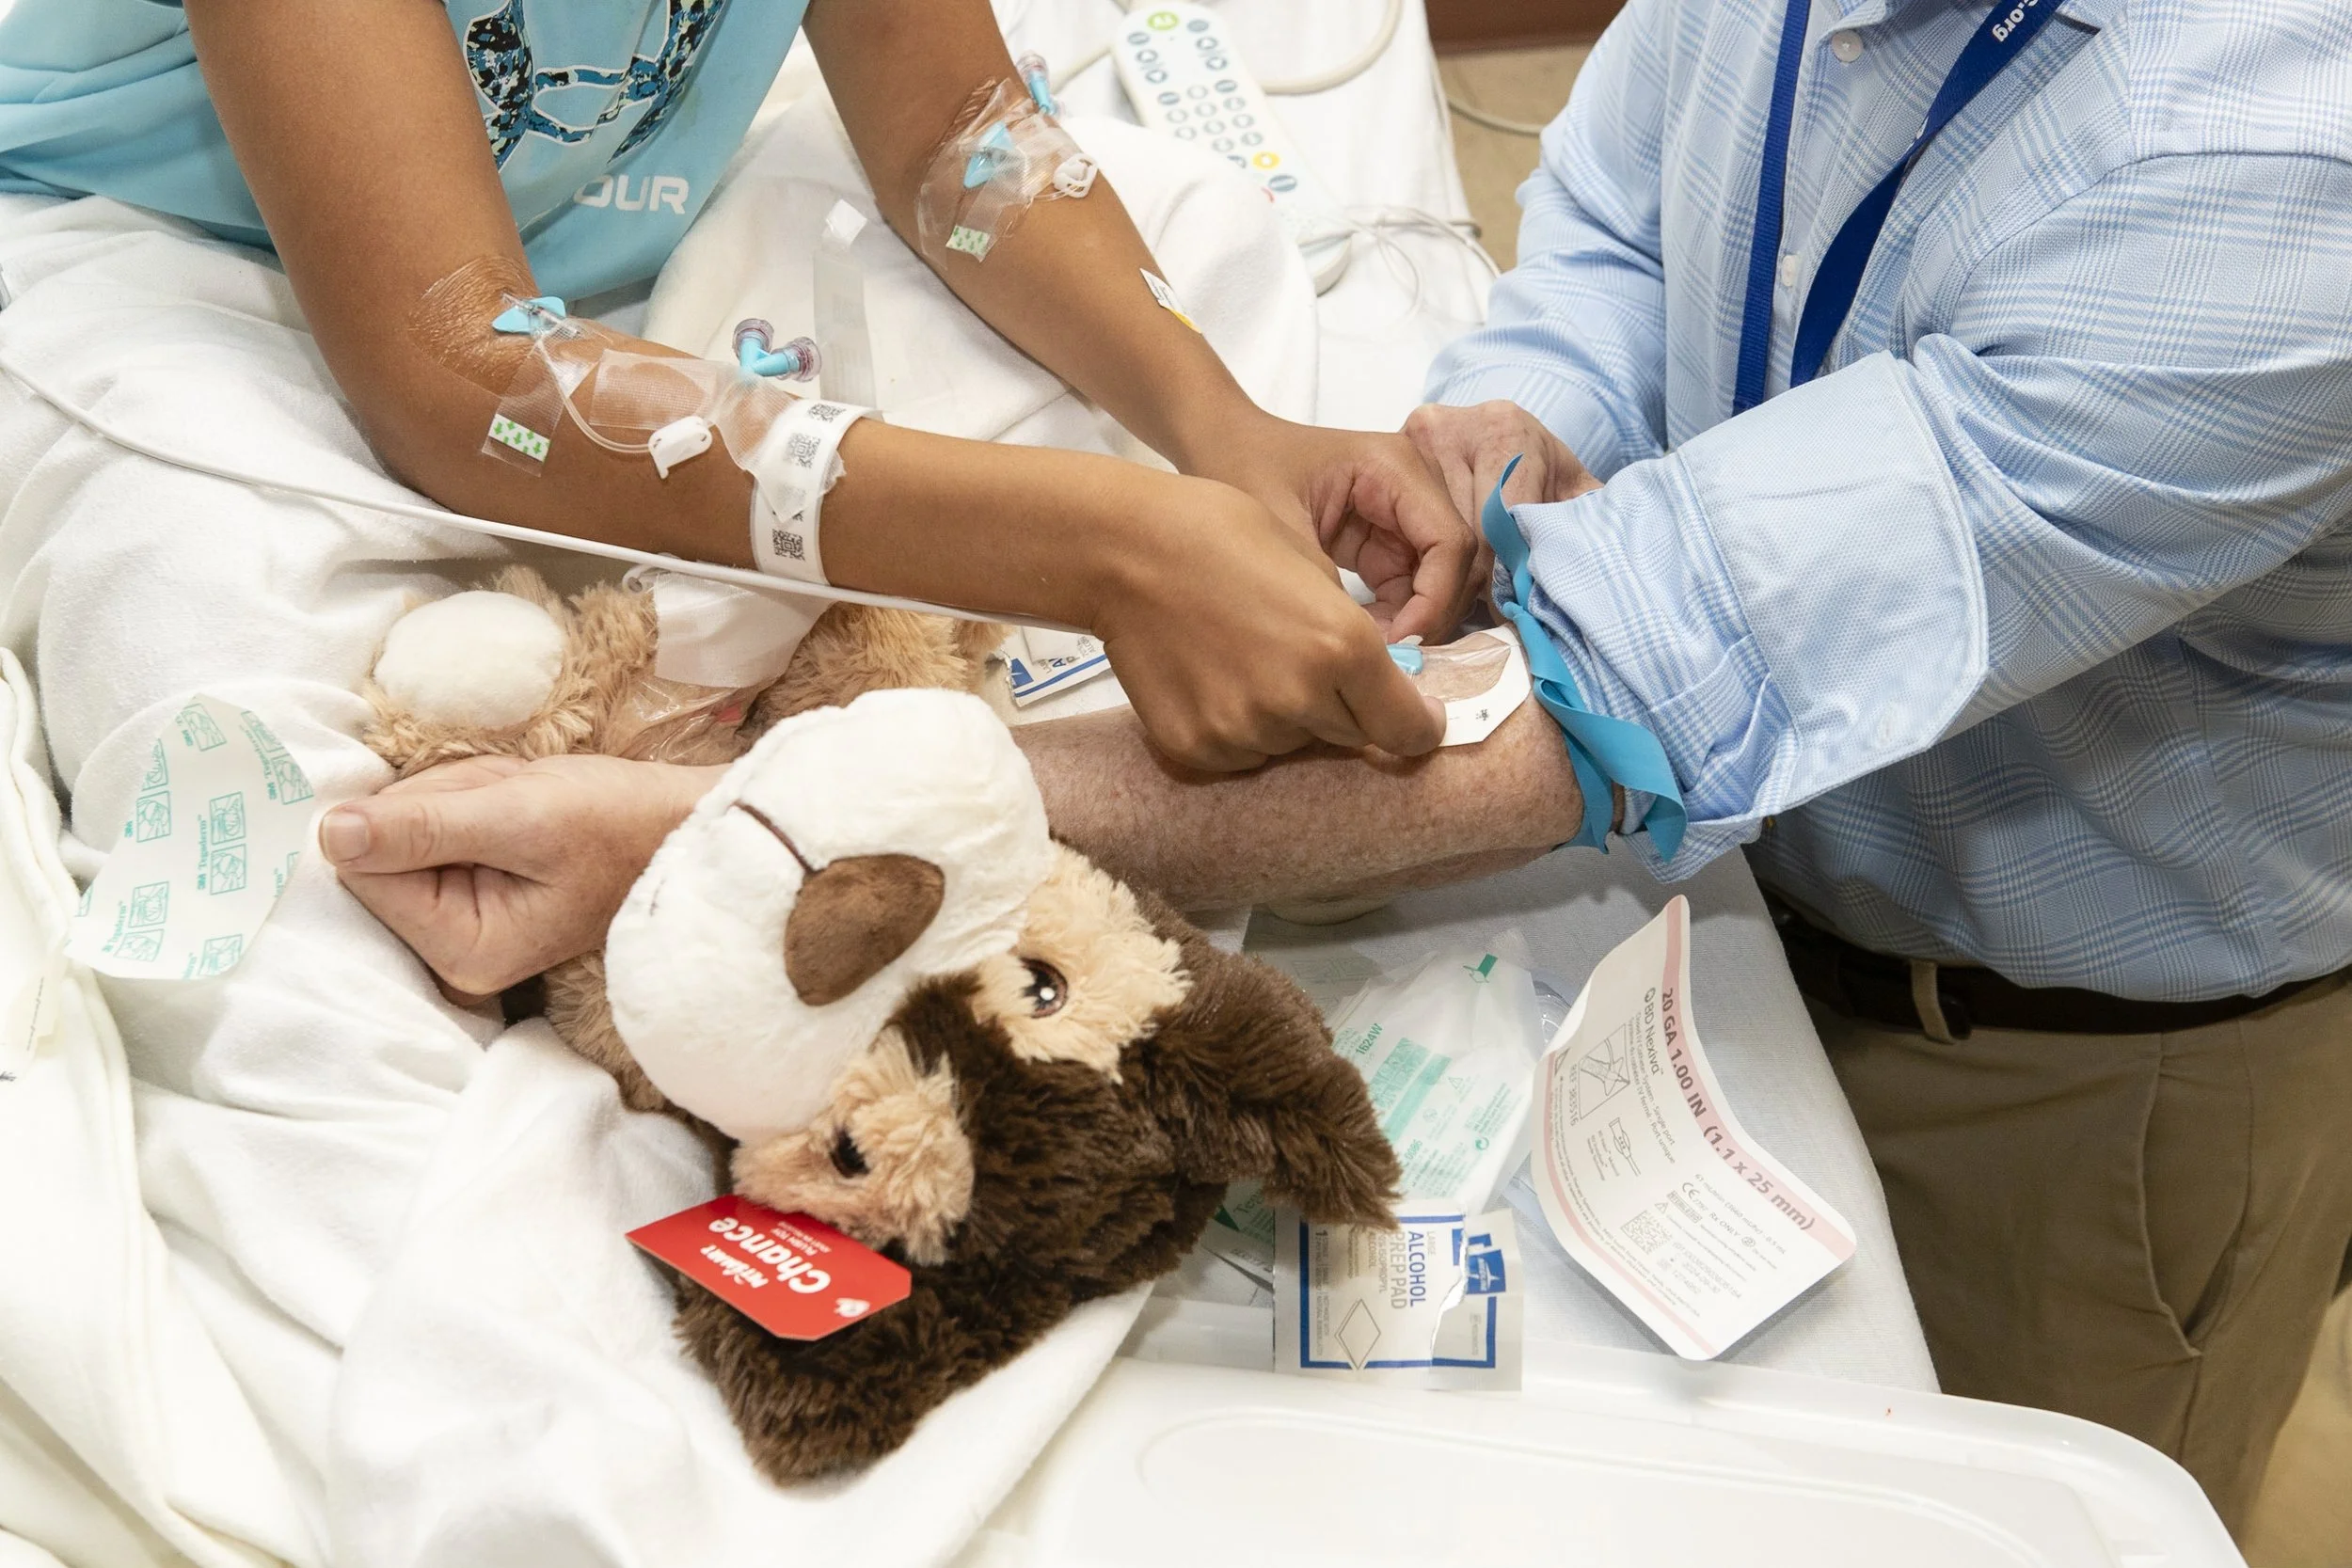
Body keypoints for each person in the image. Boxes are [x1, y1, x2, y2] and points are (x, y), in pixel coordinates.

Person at [328, 0, 2352, 1534]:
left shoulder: (2277, 171)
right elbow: (1636, 206)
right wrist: (1512, 427)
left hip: (2059, 1045)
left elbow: (1605, 693)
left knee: (1964, 1495)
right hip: (1757, 858)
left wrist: (734, 835)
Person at [0, 0, 1480, 773]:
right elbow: (457, 375)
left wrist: (1227, 438)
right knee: (207, 628)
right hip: (193, 277)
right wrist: (1103, 545)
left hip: (597, 253)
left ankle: (697, 729)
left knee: (1201, 237)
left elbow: (956, 136)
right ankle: (697, 780)